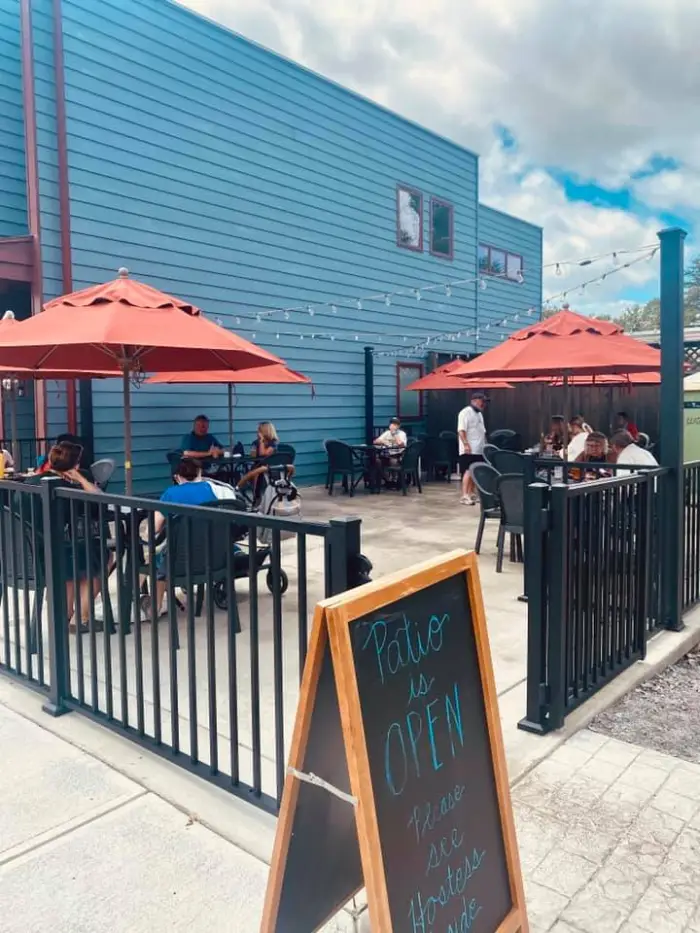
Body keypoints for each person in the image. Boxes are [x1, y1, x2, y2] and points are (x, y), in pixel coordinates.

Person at [25, 442, 103, 632]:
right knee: (101, 559)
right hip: (57, 551)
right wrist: (82, 480)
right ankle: (82, 618)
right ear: (76, 465)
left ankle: (66, 615)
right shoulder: (67, 489)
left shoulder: (30, 483)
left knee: (74, 562)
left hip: (31, 555)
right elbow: (100, 501)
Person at [146, 459, 239, 617]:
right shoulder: (216, 491)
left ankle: (154, 607)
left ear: (177, 477)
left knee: (153, 560)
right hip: (215, 559)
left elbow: (152, 530)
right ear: (200, 473)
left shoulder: (170, 494)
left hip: (179, 563)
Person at [458, 391, 487, 505]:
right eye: (481, 401)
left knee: (476, 471)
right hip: (469, 448)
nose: (483, 404)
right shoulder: (465, 413)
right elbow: (461, 430)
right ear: (474, 401)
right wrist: (466, 444)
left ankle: (471, 493)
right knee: (468, 471)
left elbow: (482, 431)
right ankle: (464, 495)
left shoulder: (479, 414)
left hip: (479, 448)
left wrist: (485, 445)